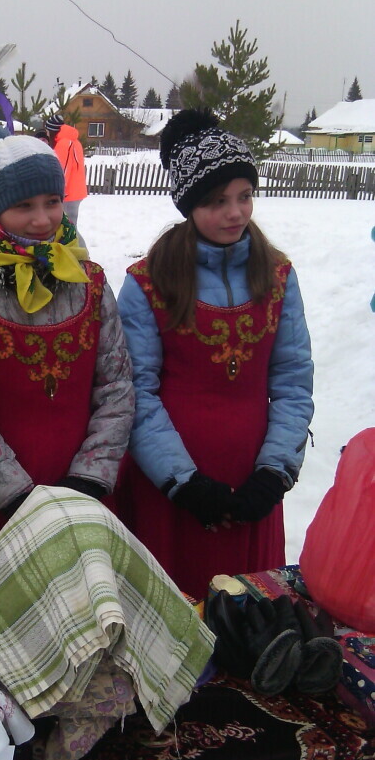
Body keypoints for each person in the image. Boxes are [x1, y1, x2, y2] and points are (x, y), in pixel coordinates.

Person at [113, 109, 313, 602]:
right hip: (172, 486)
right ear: (189, 204)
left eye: (245, 196)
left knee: (248, 613)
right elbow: (136, 391)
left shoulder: (278, 276)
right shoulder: (148, 282)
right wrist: (182, 482)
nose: (236, 213)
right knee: (176, 612)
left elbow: (293, 380)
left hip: (254, 481)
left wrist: (275, 472)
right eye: (217, 201)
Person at [0, 119, 134, 583]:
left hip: (85, 492)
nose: (43, 219)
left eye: (52, 201)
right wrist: (15, 496)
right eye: (23, 206)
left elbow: (116, 385)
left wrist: (88, 479)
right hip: (1, 504)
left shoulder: (88, 281)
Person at [45, 112, 88, 224]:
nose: (47, 134)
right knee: (69, 225)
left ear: (52, 130)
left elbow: (63, 170)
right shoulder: (73, 141)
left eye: (47, 131)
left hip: (69, 193)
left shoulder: (64, 143)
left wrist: (59, 191)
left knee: (68, 227)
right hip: (75, 190)